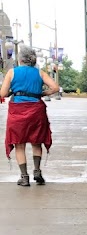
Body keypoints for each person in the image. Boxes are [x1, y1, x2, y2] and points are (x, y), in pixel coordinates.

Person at [1, 46, 58, 186]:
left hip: (17, 111)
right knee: (36, 141)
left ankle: (24, 177)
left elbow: (2, 94)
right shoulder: (40, 73)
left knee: (19, 144)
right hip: (36, 110)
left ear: (20, 59)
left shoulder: (12, 72)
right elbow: (55, 87)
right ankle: (37, 171)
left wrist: (13, 92)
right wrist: (42, 94)